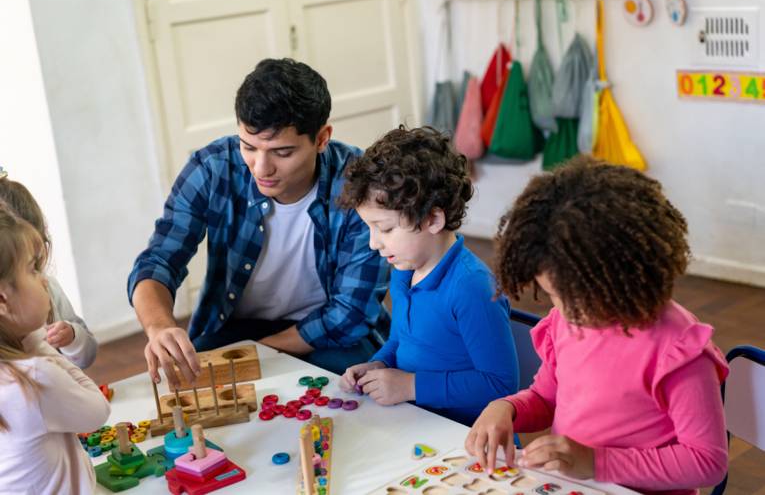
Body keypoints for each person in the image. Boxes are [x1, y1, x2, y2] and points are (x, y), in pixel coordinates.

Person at [466, 157, 728, 494]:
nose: (562, 311)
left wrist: (598, 462)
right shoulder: (565, 322)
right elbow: (546, 399)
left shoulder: (679, 350)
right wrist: (507, 408)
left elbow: (707, 461)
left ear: (624, 276)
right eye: (552, 295)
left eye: (574, 297)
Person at [128, 59, 389, 385]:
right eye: (249, 147)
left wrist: (261, 353)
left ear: (322, 139)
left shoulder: (359, 182)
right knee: (189, 388)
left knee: (348, 389)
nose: (261, 167)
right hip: (236, 325)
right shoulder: (212, 167)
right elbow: (159, 260)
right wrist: (159, 327)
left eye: (281, 152)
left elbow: (350, 312)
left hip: (330, 330)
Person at [337, 126, 519, 425]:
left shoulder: (472, 287)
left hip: (466, 440)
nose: (373, 243)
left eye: (384, 229)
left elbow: (500, 384)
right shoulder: (403, 270)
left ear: (433, 219)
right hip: (417, 422)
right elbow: (400, 341)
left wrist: (410, 385)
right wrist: (378, 363)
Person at [0, 204, 110, 493]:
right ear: (2, 300)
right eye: (34, 268)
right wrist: (39, 342)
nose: (45, 279)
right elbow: (98, 410)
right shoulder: (36, 376)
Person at [0, 170, 97, 368]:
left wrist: (73, 337)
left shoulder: (49, 287)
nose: (42, 279)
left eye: (36, 263)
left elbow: (88, 352)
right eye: (28, 265)